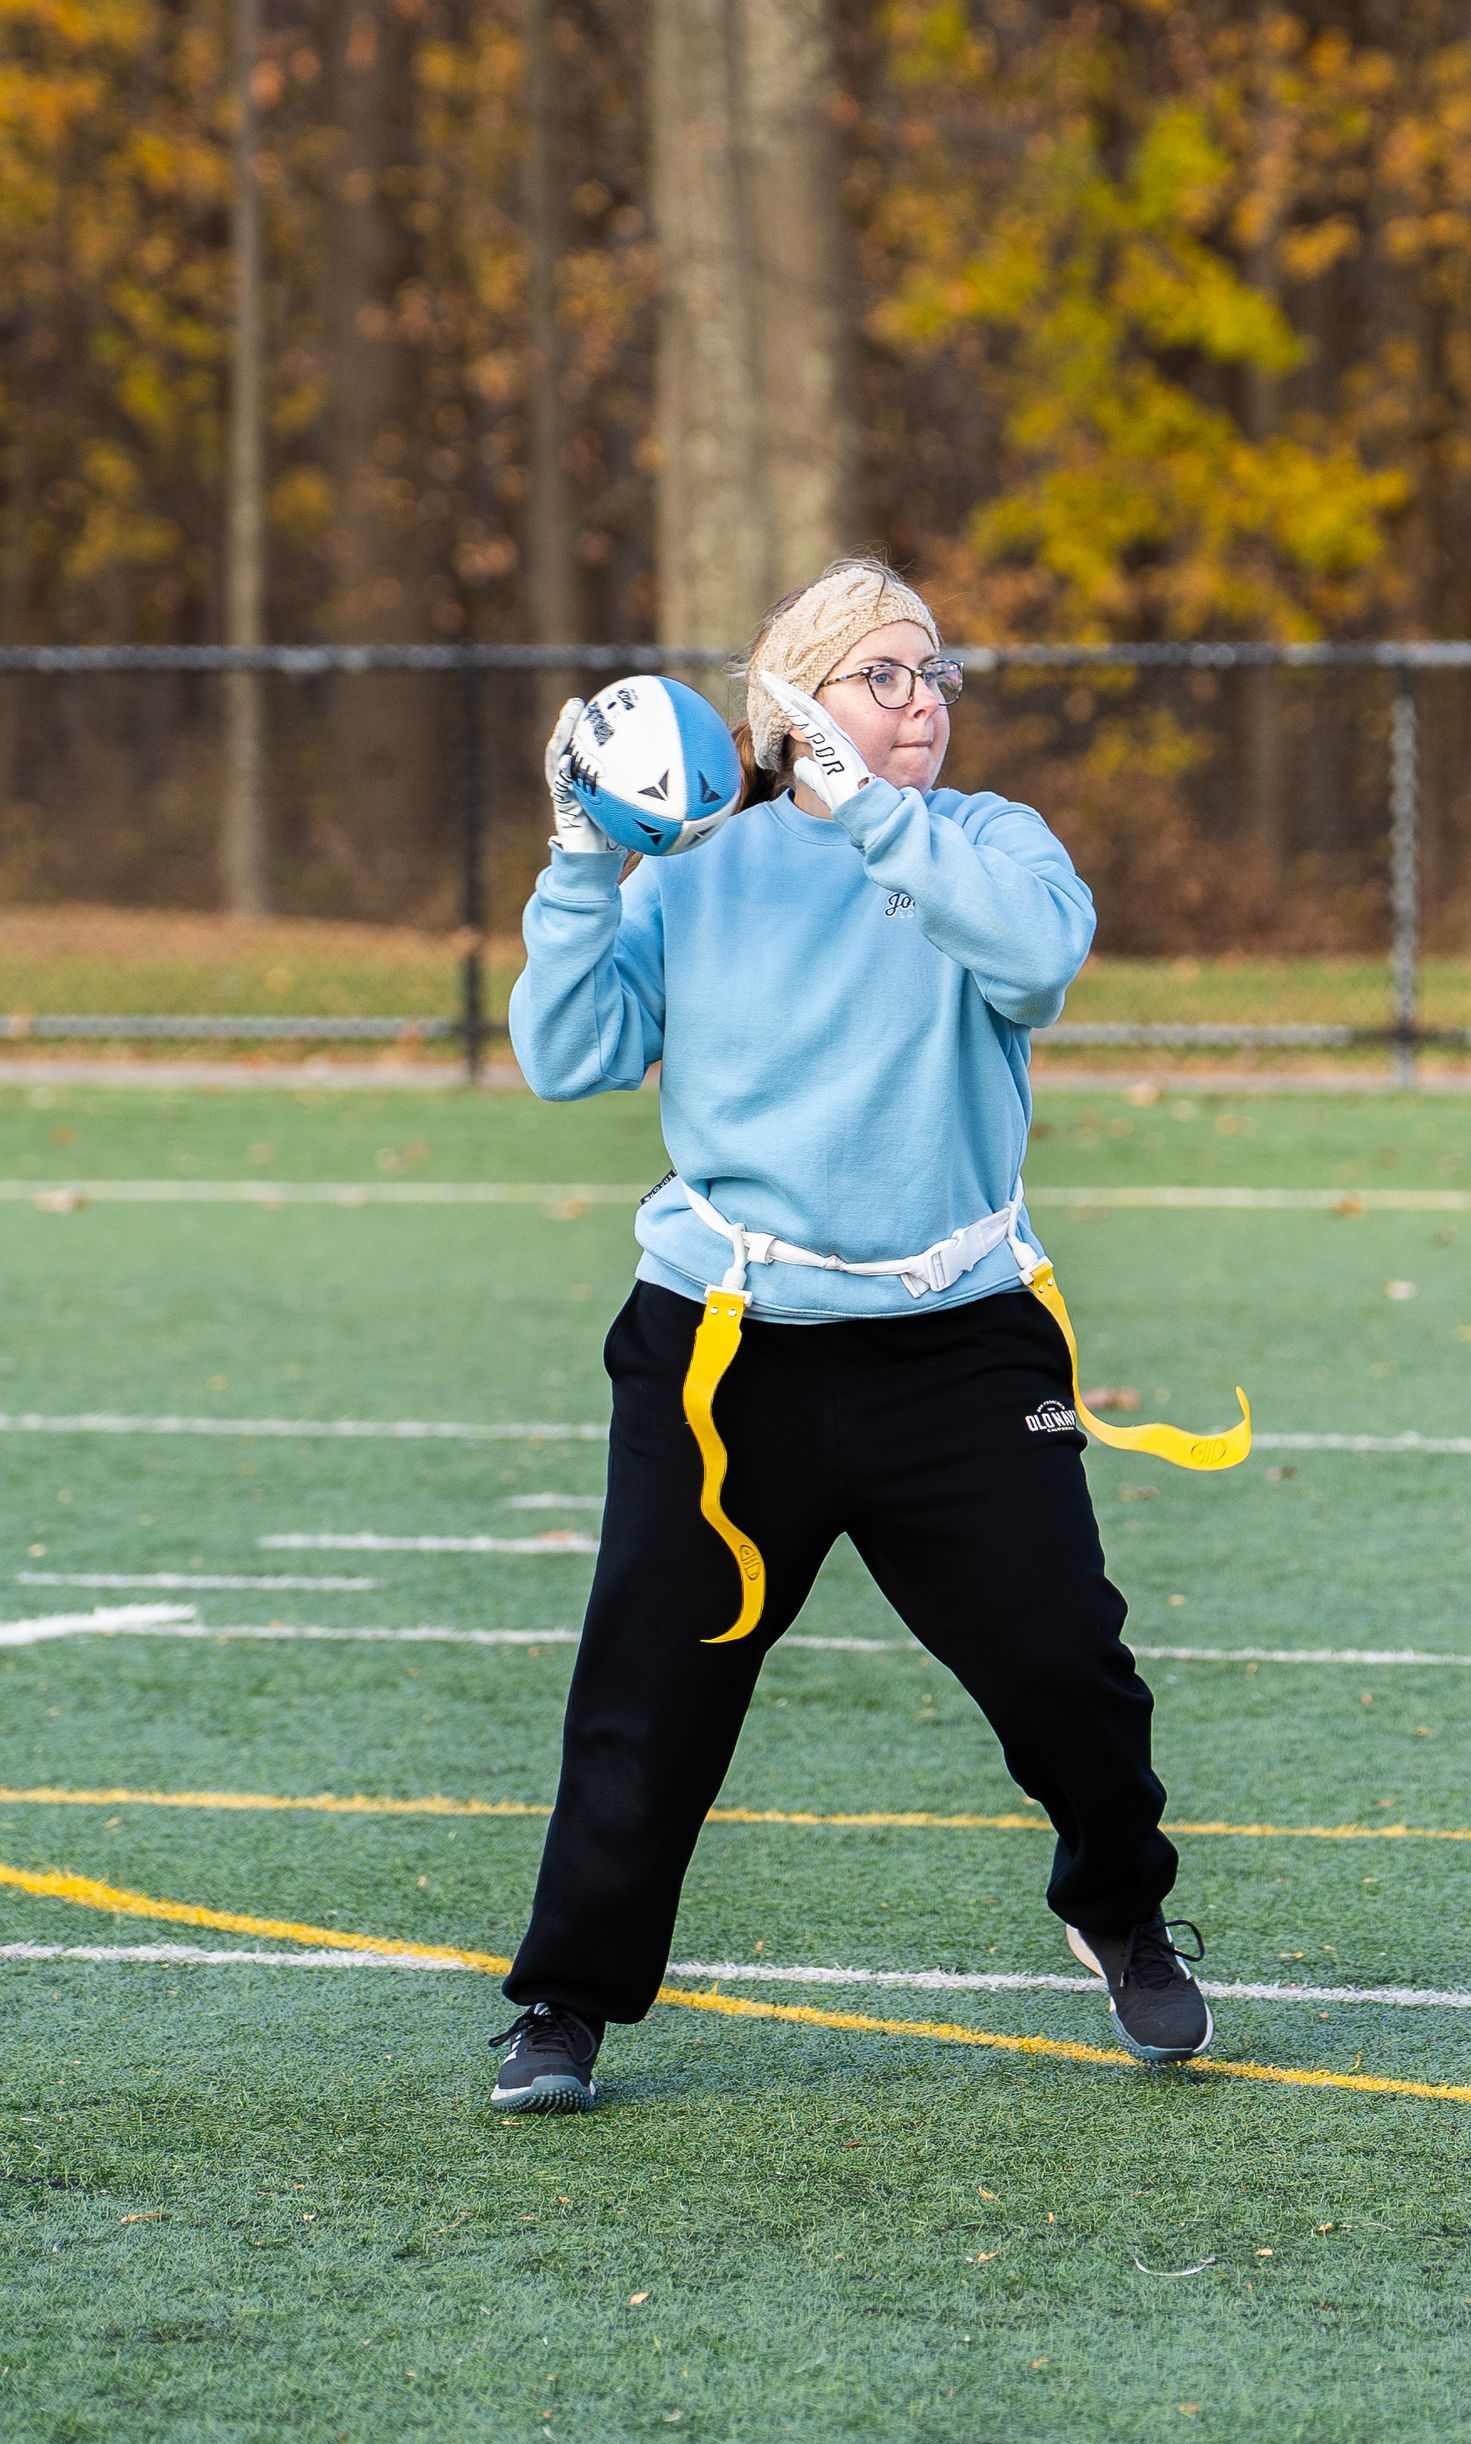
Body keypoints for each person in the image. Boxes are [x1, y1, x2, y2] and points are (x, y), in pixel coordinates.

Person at [487, 558, 1244, 2113]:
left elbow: (1031, 964)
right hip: (725, 1347)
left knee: (1065, 1670)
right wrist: (577, 861)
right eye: (882, 677)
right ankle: (564, 2001)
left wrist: (878, 812)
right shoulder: (694, 874)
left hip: (959, 1342)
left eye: (935, 676)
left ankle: (1119, 1908)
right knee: (654, 1688)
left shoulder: (989, 843)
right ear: (792, 701)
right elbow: (568, 1059)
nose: (922, 706)